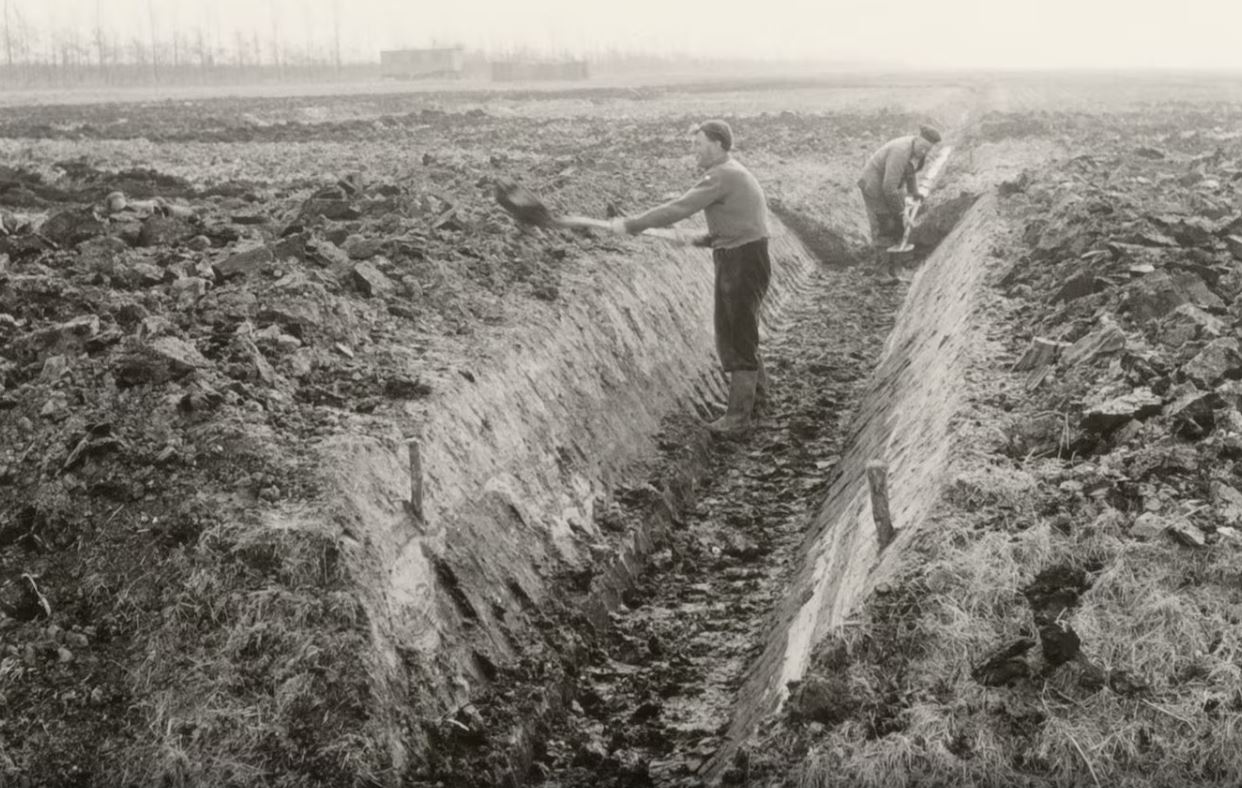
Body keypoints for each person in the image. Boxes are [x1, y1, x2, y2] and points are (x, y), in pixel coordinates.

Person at [610, 119, 770, 438]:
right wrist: (703, 238)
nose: (694, 151)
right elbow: (740, 220)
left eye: (699, 144)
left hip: (741, 260)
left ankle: (739, 418)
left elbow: (678, 208)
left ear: (718, 145)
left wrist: (633, 224)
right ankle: (757, 404)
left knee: (738, 335)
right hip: (743, 254)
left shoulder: (722, 175)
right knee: (742, 329)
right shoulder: (733, 172)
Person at [858, 125, 942, 281]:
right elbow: (888, 188)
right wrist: (902, 213)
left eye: (928, 150)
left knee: (897, 225)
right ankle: (881, 272)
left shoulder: (918, 150)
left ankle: (896, 269)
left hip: (890, 185)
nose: (924, 152)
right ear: (916, 140)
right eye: (923, 147)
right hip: (874, 186)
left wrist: (914, 193)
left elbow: (910, 173)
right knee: (885, 224)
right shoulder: (900, 152)